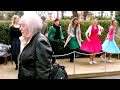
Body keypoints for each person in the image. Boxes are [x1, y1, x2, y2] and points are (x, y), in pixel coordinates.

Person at [18, 13, 53, 79]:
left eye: (23, 26)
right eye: (20, 25)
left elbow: (43, 72)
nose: (20, 28)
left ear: (31, 26)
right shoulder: (27, 39)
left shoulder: (40, 41)